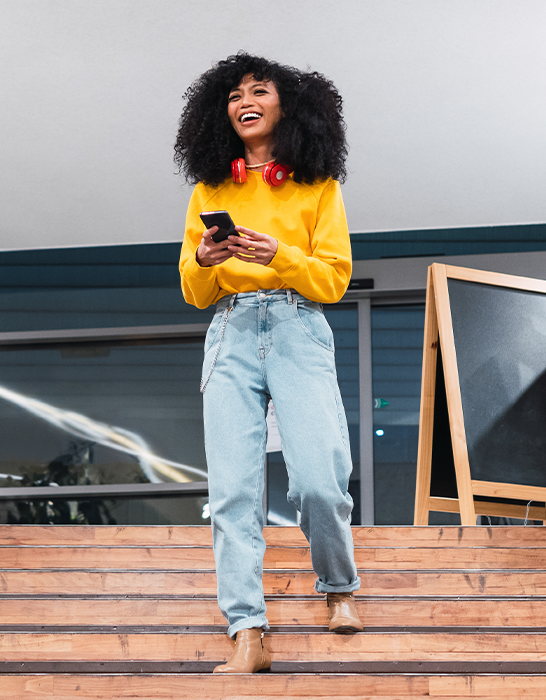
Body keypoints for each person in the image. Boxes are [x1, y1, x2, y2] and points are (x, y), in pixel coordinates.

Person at [176, 52, 362, 674]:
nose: (244, 100)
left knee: (317, 477)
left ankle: (338, 587)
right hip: (228, 329)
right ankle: (247, 630)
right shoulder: (210, 189)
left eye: (259, 90)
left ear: (289, 105)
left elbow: (334, 281)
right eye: (233, 94)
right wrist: (205, 258)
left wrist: (278, 254)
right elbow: (193, 289)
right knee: (232, 489)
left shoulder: (318, 186)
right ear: (220, 113)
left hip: (296, 325)